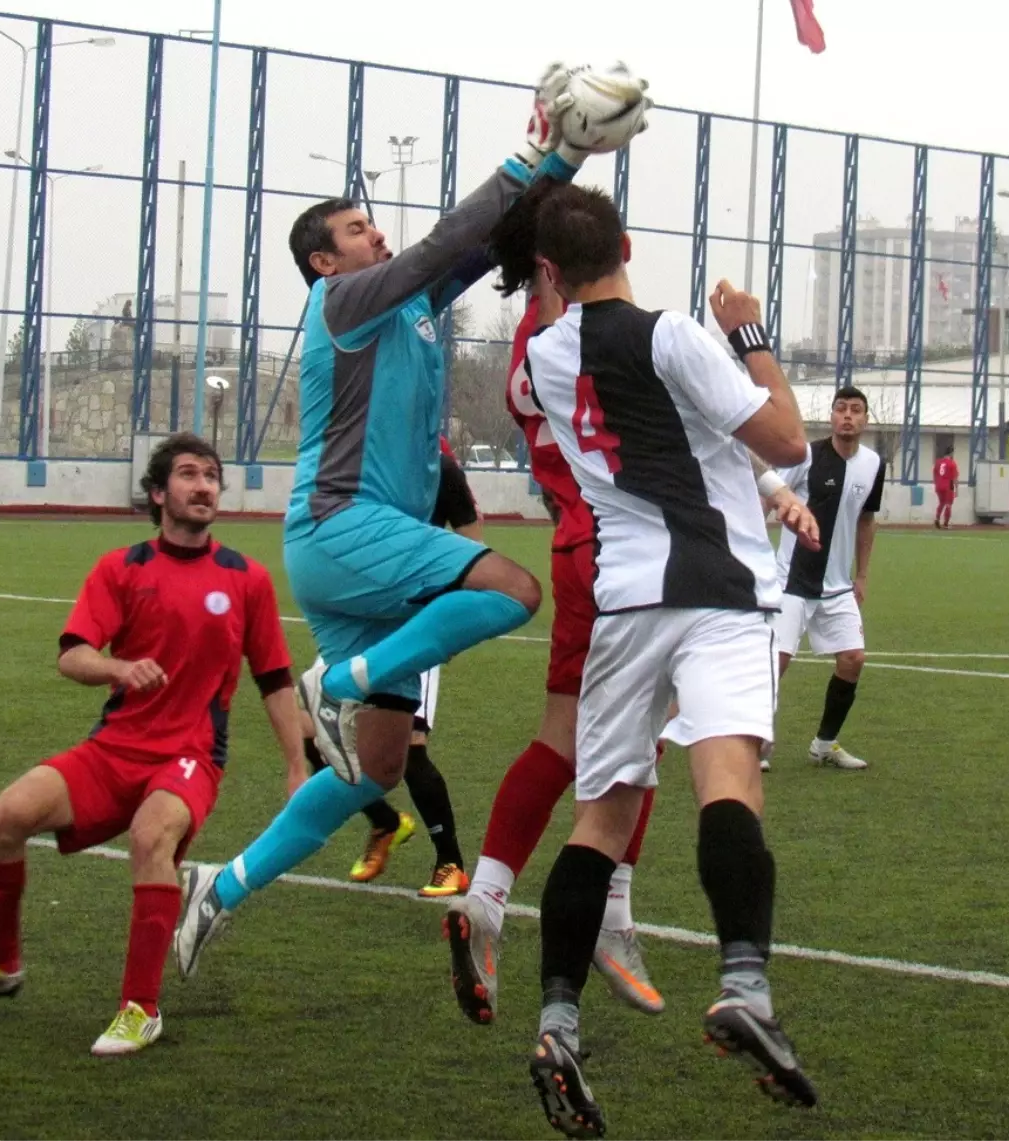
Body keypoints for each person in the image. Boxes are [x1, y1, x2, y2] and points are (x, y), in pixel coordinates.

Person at [174, 64, 652, 981]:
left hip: (362, 544)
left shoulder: (407, 306)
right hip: (343, 526)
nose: (375, 233)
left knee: (373, 768)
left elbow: (478, 249)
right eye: (357, 229)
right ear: (323, 261)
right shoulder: (342, 304)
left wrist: (563, 161)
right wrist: (534, 147)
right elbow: (442, 246)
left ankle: (219, 888)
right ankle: (341, 677)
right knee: (513, 589)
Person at [518, 183, 821, 1133]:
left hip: (621, 602)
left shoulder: (542, 352)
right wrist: (749, 336)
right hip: (717, 590)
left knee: (599, 822)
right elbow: (788, 440)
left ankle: (557, 1025)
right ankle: (743, 984)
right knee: (727, 777)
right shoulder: (679, 335)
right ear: (630, 245)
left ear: (549, 273)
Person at [0, 434, 306, 1056]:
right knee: (5, 818)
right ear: (158, 493)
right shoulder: (120, 568)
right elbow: (72, 656)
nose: (204, 485)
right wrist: (119, 669)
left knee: (152, 835)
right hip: (115, 747)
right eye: (188, 474)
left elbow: (274, 679)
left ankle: (140, 1009)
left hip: (191, 755)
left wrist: (296, 767)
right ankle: (1, 965)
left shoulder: (246, 579)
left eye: (212, 475)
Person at [443, 262, 664, 1028]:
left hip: (575, 548)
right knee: (643, 741)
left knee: (561, 735)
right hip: (630, 554)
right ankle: (612, 914)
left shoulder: (528, 350)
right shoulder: (593, 338)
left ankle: (489, 896)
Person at [303, 440, 483, 897]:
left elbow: (472, 545)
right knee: (309, 727)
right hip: (360, 622)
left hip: (414, 626)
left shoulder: (440, 468)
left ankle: (451, 863)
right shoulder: (361, 465)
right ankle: (384, 822)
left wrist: (448, 614)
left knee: (410, 748)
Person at [766, 386, 885, 773]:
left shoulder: (873, 465)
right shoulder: (806, 457)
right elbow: (770, 499)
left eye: (855, 410)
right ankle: (755, 744)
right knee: (775, 662)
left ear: (865, 420)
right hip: (790, 582)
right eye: (841, 409)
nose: (847, 416)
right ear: (831, 417)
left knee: (853, 660)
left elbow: (867, 521)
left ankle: (824, 744)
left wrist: (862, 575)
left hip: (837, 587)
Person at [933, 444, 959, 529]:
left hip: (939, 485)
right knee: (948, 504)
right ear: (951, 453)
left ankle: (937, 518)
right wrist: (957, 489)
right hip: (949, 485)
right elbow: (955, 478)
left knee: (941, 503)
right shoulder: (952, 463)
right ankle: (946, 524)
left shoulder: (938, 462)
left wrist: (936, 484)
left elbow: (935, 474)